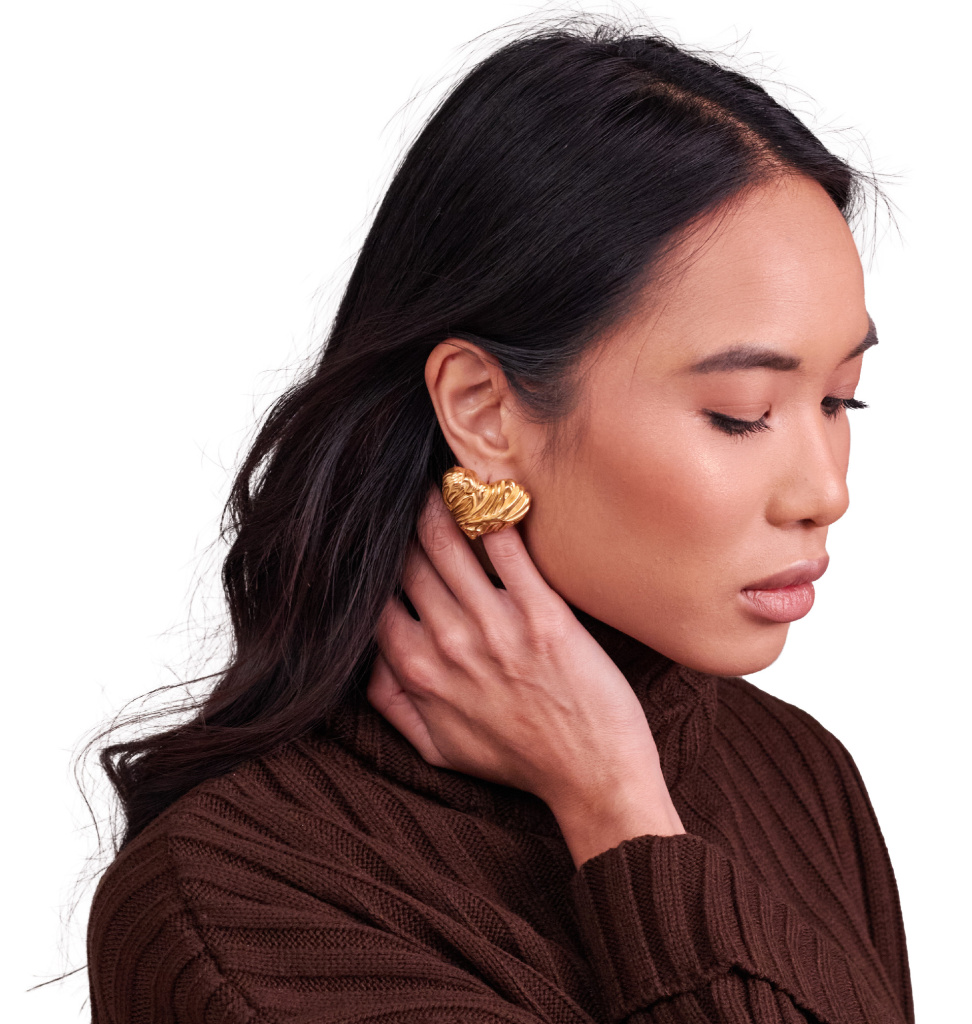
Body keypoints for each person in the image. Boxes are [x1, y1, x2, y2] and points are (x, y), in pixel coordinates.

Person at [86, 19, 914, 1024]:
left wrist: (616, 798)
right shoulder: (240, 903)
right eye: (741, 413)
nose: (824, 491)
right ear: (483, 411)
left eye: (840, 399)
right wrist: (622, 821)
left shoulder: (793, 771)